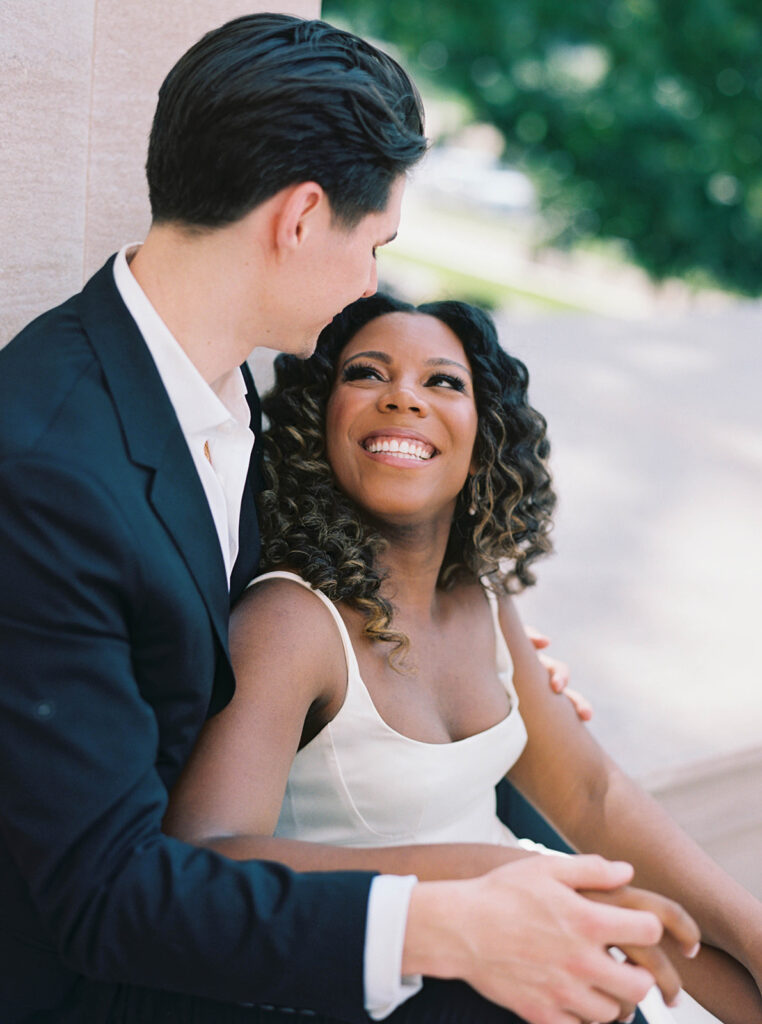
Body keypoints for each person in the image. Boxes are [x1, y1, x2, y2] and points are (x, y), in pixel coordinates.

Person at [0, 12, 699, 1024]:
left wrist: (441, 655)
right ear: (300, 217)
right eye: (374, 243)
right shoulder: (46, 469)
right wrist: (442, 920)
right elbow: (105, 898)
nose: (372, 281)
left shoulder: (216, 390)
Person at [164, 293, 762, 1024]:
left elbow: (591, 793)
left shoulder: (479, 597)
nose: (402, 398)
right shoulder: (291, 622)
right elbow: (204, 862)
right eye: (366, 374)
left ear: (484, 437)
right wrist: (482, 873)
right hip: (412, 976)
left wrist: (751, 932)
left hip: (541, 910)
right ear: (319, 423)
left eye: (442, 381)